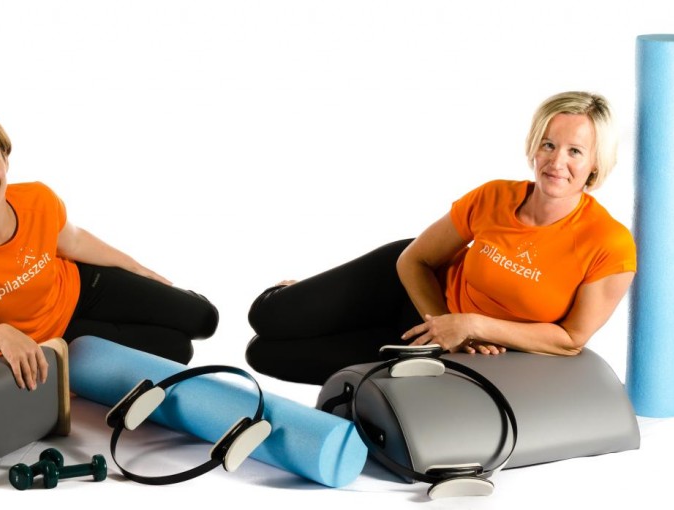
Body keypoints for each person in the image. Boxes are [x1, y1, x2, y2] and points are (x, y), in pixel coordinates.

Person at [245, 91, 637, 385]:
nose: (556, 162)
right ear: (534, 146)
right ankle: (293, 293)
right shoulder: (494, 196)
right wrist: (444, 323)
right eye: (548, 144)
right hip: (408, 289)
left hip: (439, 345)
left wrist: (470, 328)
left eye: (575, 151)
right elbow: (413, 260)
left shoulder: (609, 243)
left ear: (595, 163)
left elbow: (570, 340)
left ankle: (321, 307)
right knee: (268, 317)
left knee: (265, 355)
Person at [0, 112, 219, 390]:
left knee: (205, 318)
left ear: (5, 161)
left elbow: (73, 242)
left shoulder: (37, 198)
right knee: (178, 349)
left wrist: (135, 268)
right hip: (54, 340)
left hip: (82, 287)